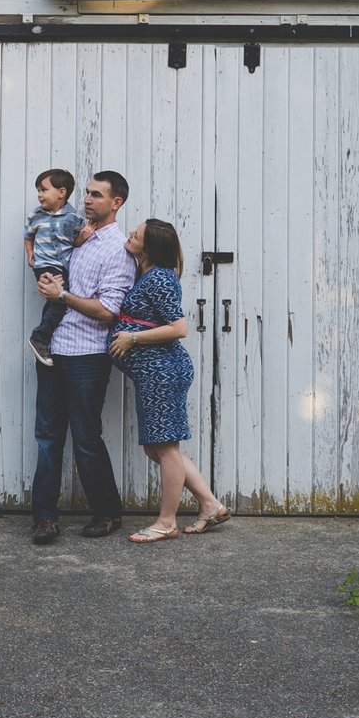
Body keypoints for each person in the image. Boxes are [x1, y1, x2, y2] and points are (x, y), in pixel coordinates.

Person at [109, 217, 233, 544]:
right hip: (154, 373)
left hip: (163, 372)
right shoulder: (147, 275)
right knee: (159, 448)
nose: (130, 235)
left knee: (165, 449)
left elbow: (179, 328)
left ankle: (166, 522)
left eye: (135, 234)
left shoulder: (160, 278)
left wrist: (132, 340)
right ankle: (210, 504)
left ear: (148, 248)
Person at [30, 169, 135, 543]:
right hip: (52, 352)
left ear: (116, 203)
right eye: (87, 193)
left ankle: (107, 513)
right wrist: (47, 283)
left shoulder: (117, 250)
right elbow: (48, 263)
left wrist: (61, 297)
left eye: (96, 195)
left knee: (86, 437)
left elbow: (109, 310)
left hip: (87, 356)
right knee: (47, 436)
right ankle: (44, 517)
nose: (87, 200)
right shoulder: (78, 237)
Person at [22, 167, 91, 366]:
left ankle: (45, 341)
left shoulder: (73, 218)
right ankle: (40, 338)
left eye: (44, 190)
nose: (39, 195)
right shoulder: (36, 216)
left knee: (56, 301)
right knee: (61, 299)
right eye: (38, 190)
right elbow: (28, 236)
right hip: (44, 265)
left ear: (61, 192)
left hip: (64, 266)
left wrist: (83, 237)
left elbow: (74, 242)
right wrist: (30, 252)